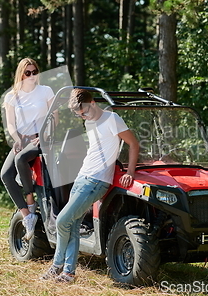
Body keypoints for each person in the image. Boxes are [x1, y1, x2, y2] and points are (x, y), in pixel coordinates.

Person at [41, 88, 139, 283]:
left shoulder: (112, 119)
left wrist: (130, 173)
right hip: (82, 177)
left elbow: (134, 144)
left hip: (96, 181)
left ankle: (56, 266)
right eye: (79, 114)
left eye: (84, 112)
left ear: (93, 102)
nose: (83, 116)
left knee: (62, 221)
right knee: (73, 224)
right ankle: (68, 273)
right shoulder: (89, 122)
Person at [0, 58, 54, 241]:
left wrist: (44, 135)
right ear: (21, 74)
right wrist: (18, 140)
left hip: (43, 138)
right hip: (23, 140)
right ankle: (27, 215)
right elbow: (10, 124)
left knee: (20, 158)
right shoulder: (12, 96)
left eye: (35, 72)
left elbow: (56, 118)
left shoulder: (46, 91)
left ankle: (31, 203)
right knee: (5, 175)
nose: (32, 76)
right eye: (28, 72)